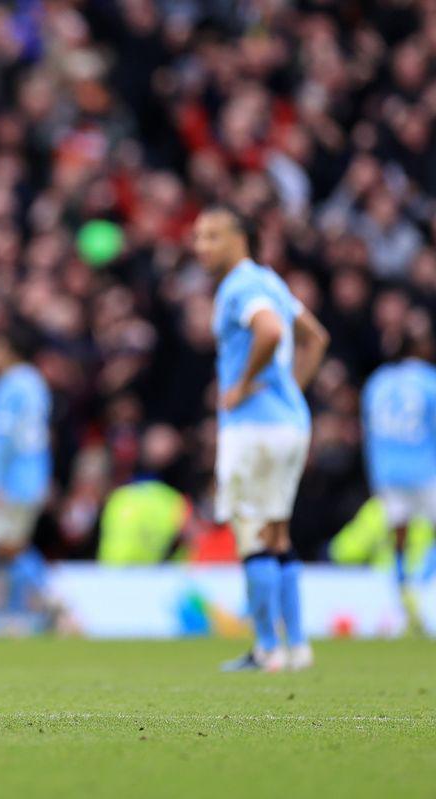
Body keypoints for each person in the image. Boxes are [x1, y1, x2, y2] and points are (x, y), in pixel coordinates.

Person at [194, 205, 329, 672]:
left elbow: (269, 331)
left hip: (253, 429)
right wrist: (290, 391)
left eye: (212, 235)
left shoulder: (241, 286)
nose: (201, 246)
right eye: (198, 237)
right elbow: (316, 338)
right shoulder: (272, 281)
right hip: (290, 423)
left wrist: (243, 384)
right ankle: (298, 646)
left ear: (240, 238)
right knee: (277, 533)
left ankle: (267, 647)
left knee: (251, 535)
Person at [361, 317, 436, 634]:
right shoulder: (429, 381)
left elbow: (368, 430)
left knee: (399, 538)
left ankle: (405, 593)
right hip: (425, 469)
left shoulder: (377, 382)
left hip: (387, 471)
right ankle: (421, 584)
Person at [0, 326, 55, 619]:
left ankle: (53, 599)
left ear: (9, 350)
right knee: (11, 545)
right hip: (32, 479)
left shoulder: (7, 386)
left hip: (10, 483)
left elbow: (1, 440)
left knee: (5, 545)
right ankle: (16, 612)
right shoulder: (36, 383)